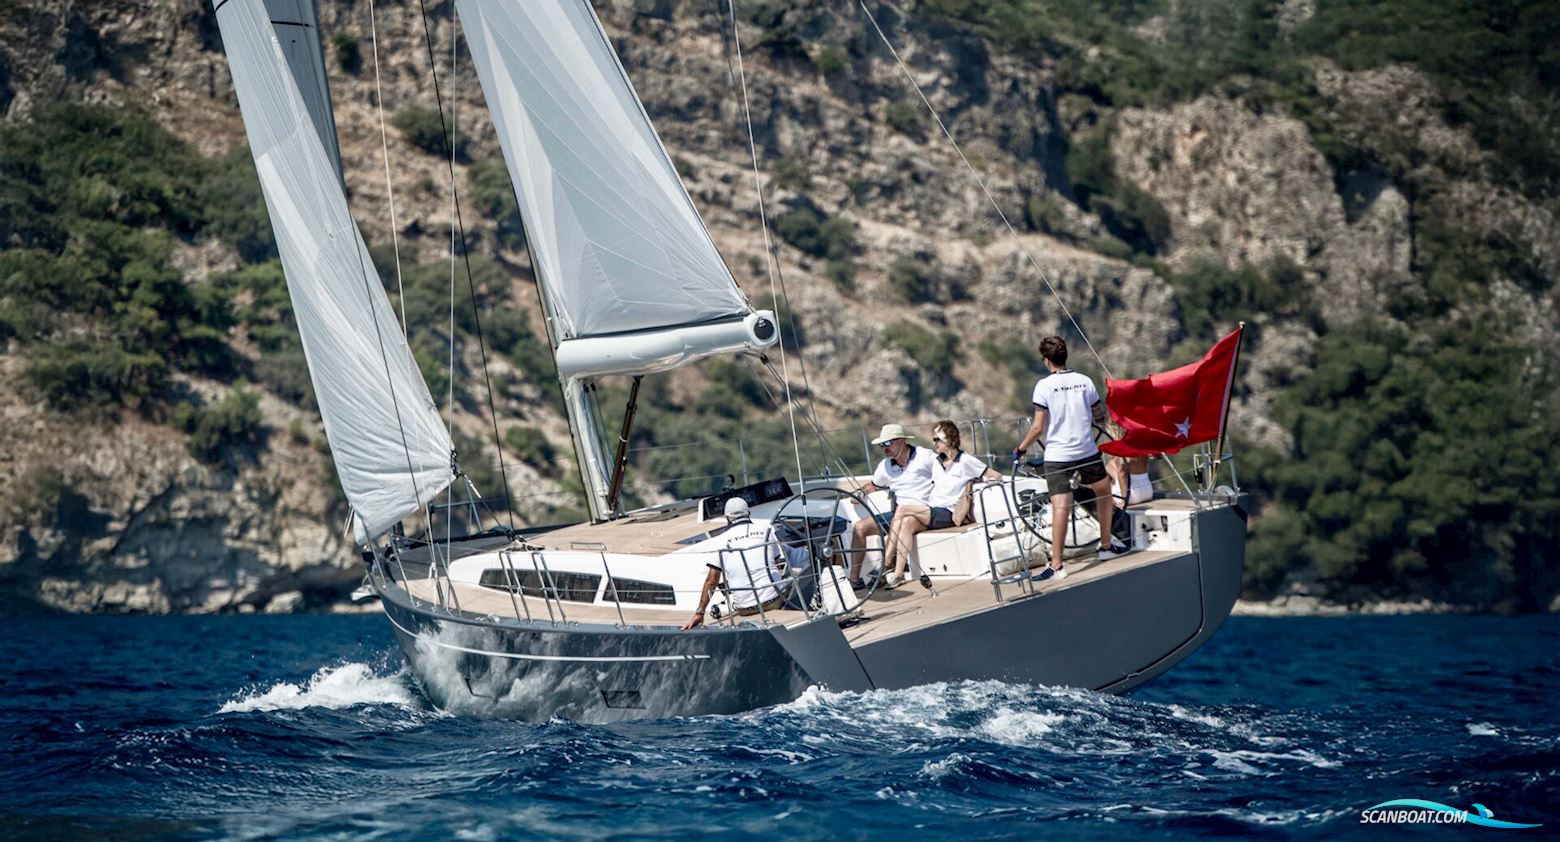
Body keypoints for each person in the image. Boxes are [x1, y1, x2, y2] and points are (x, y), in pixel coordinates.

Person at [1013, 335, 1131, 582]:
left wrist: (1021, 449)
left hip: (1058, 457)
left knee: (1060, 507)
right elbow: (1099, 416)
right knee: (1104, 491)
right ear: (1065, 357)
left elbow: (1037, 429)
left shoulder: (1044, 387)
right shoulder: (1085, 382)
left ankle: (1057, 565)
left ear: (1046, 361)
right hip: (1087, 452)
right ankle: (1106, 545)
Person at [849, 423, 937, 590]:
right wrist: (860, 492)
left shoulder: (924, 456)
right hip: (898, 513)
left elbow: (946, 470)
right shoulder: (885, 466)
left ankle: (887, 563)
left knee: (903, 516)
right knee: (860, 527)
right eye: (882, 445)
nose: (884, 448)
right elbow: (874, 485)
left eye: (888, 443)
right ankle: (855, 580)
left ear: (901, 441)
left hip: (921, 513)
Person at [683, 497, 788, 629]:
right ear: (749, 513)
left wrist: (700, 612)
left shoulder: (720, 541)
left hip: (746, 609)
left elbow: (712, 581)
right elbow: (776, 563)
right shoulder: (767, 531)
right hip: (776, 601)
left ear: (727, 518)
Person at [929, 420, 1000, 529]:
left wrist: (985, 483)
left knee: (905, 514)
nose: (934, 443)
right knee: (902, 518)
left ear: (947, 440)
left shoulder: (965, 460)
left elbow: (996, 476)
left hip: (949, 512)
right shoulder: (936, 462)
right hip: (932, 507)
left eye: (937, 439)